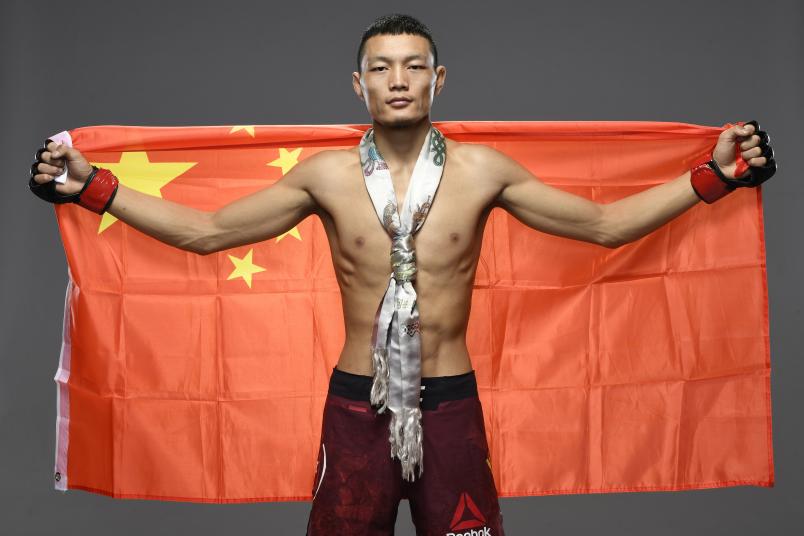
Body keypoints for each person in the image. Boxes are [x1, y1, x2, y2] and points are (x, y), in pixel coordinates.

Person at [29, 12, 776, 536]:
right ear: (358, 85)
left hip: (450, 404)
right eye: (380, 68)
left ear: (438, 79)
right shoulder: (324, 176)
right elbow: (207, 233)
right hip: (357, 408)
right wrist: (92, 187)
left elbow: (604, 227)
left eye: (413, 66)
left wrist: (711, 180)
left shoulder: (482, 172)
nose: (397, 79)